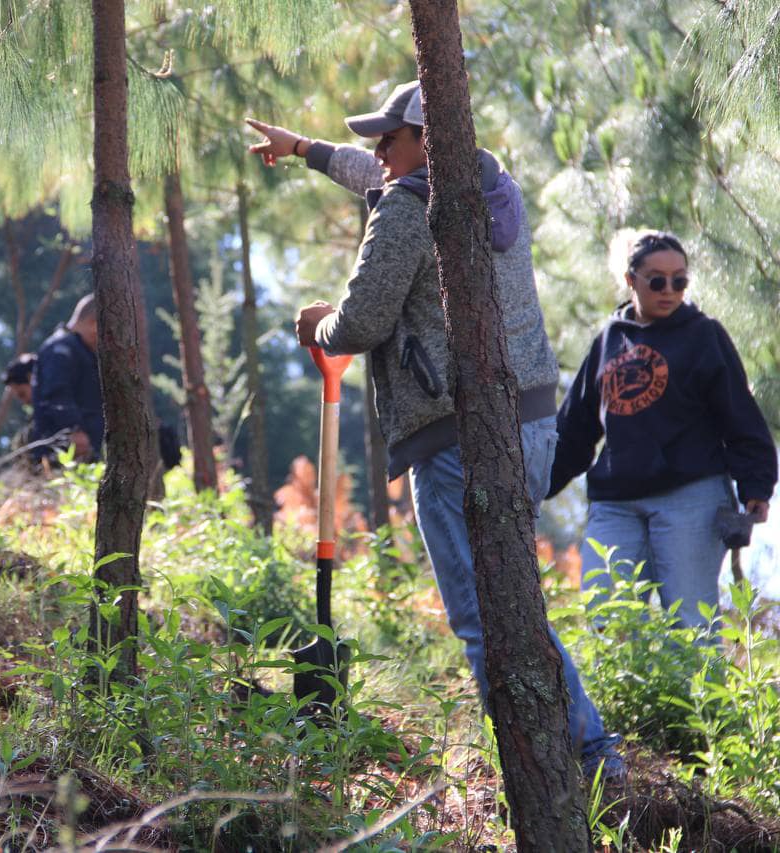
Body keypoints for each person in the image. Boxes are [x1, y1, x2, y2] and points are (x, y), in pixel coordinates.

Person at [254, 79, 623, 775]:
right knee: (513, 600)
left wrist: (319, 324)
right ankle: (590, 753)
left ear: (427, 141)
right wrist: (304, 149)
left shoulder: (404, 208)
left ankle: (565, 765)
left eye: (389, 138)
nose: (378, 152)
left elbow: (361, 321)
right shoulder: (490, 190)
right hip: (531, 425)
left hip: (455, 440)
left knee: (486, 620)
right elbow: (383, 176)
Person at [548, 230, 777, 629]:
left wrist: (756, 486)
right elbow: (575, 428)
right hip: (615, 502)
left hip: (690, 497)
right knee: (608, 619)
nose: (669, 289)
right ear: (630, 279)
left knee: (689, 624)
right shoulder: (609, 340)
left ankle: (696, 695)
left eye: (680, 280)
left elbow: (740, 415)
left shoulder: (704, 336)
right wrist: (534, 485)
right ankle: (620, 695)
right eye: (656, 279)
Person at [31, 294, 103, 463]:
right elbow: (57, 394)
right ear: (95, 324)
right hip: (61, 452)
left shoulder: (79, 349)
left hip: (81, 450)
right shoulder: (61, 349)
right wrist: (74, 429)